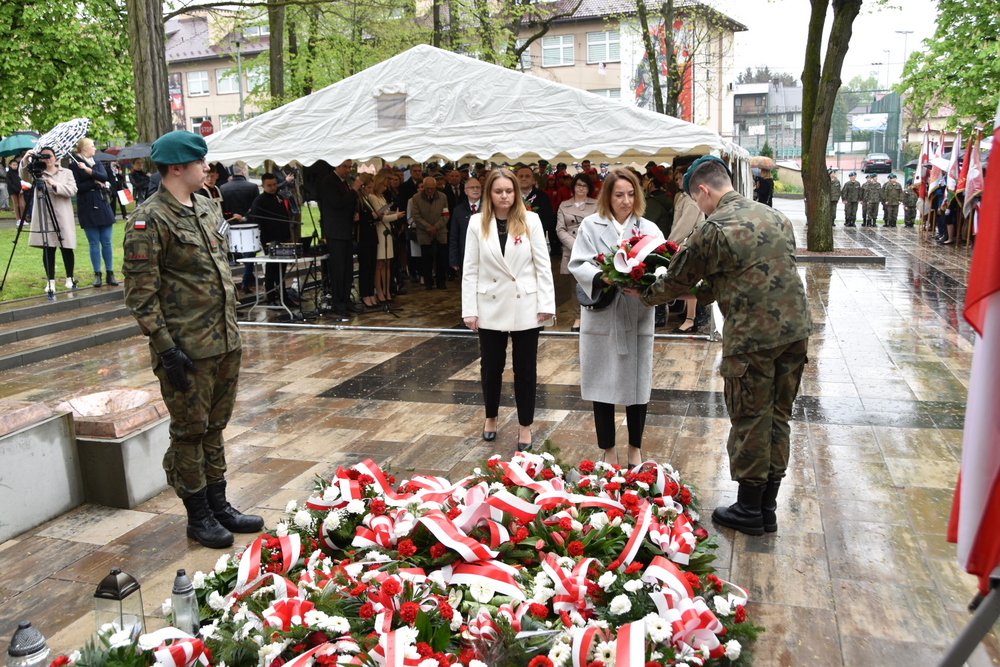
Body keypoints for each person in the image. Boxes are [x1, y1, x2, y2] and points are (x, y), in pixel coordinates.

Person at [638, 156, 812, 536]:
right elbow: (743, 275)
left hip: (753, 339)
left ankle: (749, 510)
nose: (699, 208)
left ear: (703, 190)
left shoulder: (715, 228)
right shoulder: (775, 217)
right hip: (795, 333)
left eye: (696, 200)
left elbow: (677, 280)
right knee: (778, 417)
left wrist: (642, 293)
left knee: (751, 420)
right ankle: (766, 508)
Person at [122, 130, 263, 549]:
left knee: (215, 427)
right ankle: (197, 515)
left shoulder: (205, 205)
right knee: (189, 431)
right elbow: (140, 296)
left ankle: (220, 505)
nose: (208, 168)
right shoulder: (148, 221)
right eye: (200, 162)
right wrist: (167, 349)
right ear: (176, 167)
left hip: (223, 339)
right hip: (186, 349)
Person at [569, 169, 663, 469]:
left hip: (636, 314)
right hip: (603, 314)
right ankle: (608, 448)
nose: (625, 200)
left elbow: (663, 266)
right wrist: (604, 277)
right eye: (619, 194)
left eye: (631, 194)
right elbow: (578, 263)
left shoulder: (648, 228)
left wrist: (646, 282)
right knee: (602, 382)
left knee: (638, 384)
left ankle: (635, 446)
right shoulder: (590, 225)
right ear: (607, 196)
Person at [462, 168, 555, 451]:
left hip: (525, 304)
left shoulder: (531, 220)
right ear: (489, 193)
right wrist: (470, 309)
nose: (505, 196)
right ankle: (491, 416)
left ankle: (525, 425)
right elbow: (470, 269)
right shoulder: (478, 223)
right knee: (491, 367)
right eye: (498, 191)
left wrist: (546, 304)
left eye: (509, 190)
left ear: (516, 192)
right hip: (489, 304)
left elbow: (542, 264)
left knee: (525, 370)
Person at [20, 146, 78, 296]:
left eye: (50, 156)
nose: (47, 160)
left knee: (66, 247)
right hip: (44, 214)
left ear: (55, 157)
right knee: (48, 248)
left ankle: (70, 278)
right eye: (43, 157)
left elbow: (72, 190)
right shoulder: (37, 172)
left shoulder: (67, 172)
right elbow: (24, 175)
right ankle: (50, 281)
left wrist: (55, 184)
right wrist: (26, 158)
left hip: (63, 214)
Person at [69, 138, 118, 288]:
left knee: (107, 241)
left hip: (101, 202)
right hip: (87, 204)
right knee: (93, 242)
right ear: (84, 149)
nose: (94, 149)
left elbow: (103, 177)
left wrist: (88, 170)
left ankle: (110, 272)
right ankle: (97, 273)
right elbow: (77, 186)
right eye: (92, 146)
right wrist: (93, 182)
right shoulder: (73, 165)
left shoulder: (96, 163)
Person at [319, 159, 362, 317]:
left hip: (346, 230)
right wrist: (354, 190)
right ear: (336, 165)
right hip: (335, 232)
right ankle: (338, 303)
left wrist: (354, 212)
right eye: (345, 166)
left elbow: (346, 204)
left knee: (348, 269)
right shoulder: (329, 181)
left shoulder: (344, 182)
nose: (348, 170)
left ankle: (346, 300)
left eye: (350, 167)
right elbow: (337, 203)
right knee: (339, 269)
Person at [556, 173, 597, 332]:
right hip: (572, 247)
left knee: (594, 282)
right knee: (576, 285)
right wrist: (575, 245)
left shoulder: (596, 204)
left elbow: (601, 225)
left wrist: (586, 244)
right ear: (573, 187)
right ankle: (578, 317)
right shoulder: (564, 205)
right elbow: (560, 229)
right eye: (579, 185)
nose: (581, 188)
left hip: (592, 247)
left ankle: (593, 315)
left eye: (585, 186)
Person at [246, 173, 292, 304]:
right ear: (263, 186)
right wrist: (266, 242)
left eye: (274, 184)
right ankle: (270, 296)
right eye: (269, 185)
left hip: (282, 238)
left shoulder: (278, 197)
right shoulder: (259, 202)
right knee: (271, 271)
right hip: (269, 240)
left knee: (281, 270)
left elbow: (284, 217)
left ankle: (283, 296)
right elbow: (258, 222)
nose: (273, 187)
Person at [220, 164, 261, 291]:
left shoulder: (223, 188)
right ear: (243, 172)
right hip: (248, 225)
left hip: (231, 224)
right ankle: (246, 281)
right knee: (249, 254)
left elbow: (222, 208)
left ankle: (247, 278)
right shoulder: (252, 187)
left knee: (236, 251)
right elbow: (256, 208)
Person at [411, 176, 449, 290]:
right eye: (427, 188)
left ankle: (441, 282)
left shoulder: (443, 197)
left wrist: (436, 227)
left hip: (440, 232)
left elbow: (446, 215)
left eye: (432, 188)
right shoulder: (416, 198)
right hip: (424, 233)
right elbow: (416, 216)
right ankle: (428, 282)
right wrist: (428, 227)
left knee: (441, 260)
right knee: (426, 260)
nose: (429, 190)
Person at [368, 171, 401, 303]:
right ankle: (380, 291)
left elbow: (385, 212)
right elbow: (380, 217)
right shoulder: (373, 197)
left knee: (388, 263)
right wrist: (395, 216)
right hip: (379, 230)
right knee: (380, 264)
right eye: (383, 185)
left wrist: (393, 213)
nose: (385, 188)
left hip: (386, 230)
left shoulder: (381, 197)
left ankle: (387, 290)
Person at [514, 164, 557, 256]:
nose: (524, 178)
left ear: (533, 180)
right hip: (513, 240)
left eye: (527, 176)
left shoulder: (543, 197)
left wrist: (532, 228)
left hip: (536, 240)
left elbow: (549, 220)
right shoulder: (510, 196)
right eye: (521, 176)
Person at [356, 174, 381, 308]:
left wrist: (376, 215)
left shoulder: (367, 199)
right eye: (369, 187)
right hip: (363, 237)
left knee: (372, 267)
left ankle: (371, 292)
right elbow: (358, 217)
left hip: (372, 236)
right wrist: (370, 216)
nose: (370, 190)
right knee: (365, 267)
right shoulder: (358, 200)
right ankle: (365, 294)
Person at [449, 176, 482, 273]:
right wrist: (454, 260)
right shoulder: (458, 211)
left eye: (478, 187)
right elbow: (454, 236)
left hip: (486, 255)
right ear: (465, 191)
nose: (475, 189)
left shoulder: (490, 208)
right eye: (472, 187)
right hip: (466, 255)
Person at [6, 158, 24, 223]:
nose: (15, 166)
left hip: (20, 190)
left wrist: (22, 189)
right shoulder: (8, 173)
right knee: (16, 204)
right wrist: (17, 190)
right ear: (10, 165)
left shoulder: (19, 172)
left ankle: (23, 218)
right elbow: (10, 183)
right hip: (13, 190)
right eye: (13, 165)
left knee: (22, 204)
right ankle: (18, 218)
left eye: (16, 165)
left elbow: (22, 181)